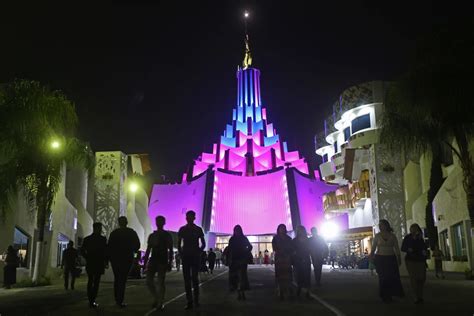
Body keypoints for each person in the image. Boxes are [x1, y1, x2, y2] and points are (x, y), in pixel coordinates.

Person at [108, 216, 141, 308]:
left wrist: (110, 258)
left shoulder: (114, 233)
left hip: (115, 259)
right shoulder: (131, 232)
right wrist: (131, 250)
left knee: (117, 279)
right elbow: (137, 245)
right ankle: (120, 300)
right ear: (126, 222)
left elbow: (109, 246)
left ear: (119, 223)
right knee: (122, 279)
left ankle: (117, 299)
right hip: (127, 258)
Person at [370, 219, 404, 303]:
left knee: (391, 277)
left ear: (386, 226)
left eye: (382, 225)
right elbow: (373, 247)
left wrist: (399, 257)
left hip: (390, 258)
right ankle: (384, 294)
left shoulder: (392, 236)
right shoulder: (377, 236)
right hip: (380, 258)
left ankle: (390, 294)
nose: (380, 226)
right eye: (379, 225)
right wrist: (371, 257)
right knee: (382, 277)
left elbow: (396, 247)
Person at [143, 215, 173, 311]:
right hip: (154, 260)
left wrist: (169, 262)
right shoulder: (152, 235)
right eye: (157, 221)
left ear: (163, 223)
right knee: (149, 281)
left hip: (162, 261)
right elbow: (148, 249)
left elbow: (170, 250)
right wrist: (145, 263)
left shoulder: (167, 235)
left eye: (160, 221)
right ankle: (157, 298)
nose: (158, 223)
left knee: (160, 282)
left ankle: (160, 301)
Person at [178, 210, 206, 310]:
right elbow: (179, 244)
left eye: (190, 217)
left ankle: (196, 300)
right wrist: (181, 254)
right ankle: (190, 301)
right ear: (186, 218)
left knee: (194, 278)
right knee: (187, 280)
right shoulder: (182, 229)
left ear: (194, 218)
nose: (189, 218)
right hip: (186, 257)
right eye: (187, 217)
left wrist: (199, 251)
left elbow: (203, 243)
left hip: (194, 257)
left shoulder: (198, 229)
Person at [82, 222, 108, 308]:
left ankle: (91, 299)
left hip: (90, 262)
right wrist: (106, 262)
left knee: (90, 281)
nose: (101, 230)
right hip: (99, 262)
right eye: (100, 228)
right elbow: (105, 252)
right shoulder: (102, 239)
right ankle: (92, 300)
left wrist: (87, 257)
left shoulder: (87, 239)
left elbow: (82, 250)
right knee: (96, 282)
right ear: (97, 228)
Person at [401, 223, 428, 304]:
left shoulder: (420, 237)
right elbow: (403, 248)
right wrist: (409, 249)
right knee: (413, 278)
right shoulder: (408, 237)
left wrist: (424, 253)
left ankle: (420, 295)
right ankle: (416, 297)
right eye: (412, 229)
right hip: (411, 260)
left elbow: (423, 247)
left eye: (415, 229)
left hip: (420, 260)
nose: (413, 230)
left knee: (421, 278)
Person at [227, 225, 253, 300]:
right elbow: (229, 249)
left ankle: (241, 292)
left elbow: (250, 246)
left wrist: (246, 252)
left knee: (241, 277)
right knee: (237, 277)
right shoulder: (234, 239)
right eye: (236, 230)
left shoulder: (238, 238)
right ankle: (240, 292)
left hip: (241, 260)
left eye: (238, 230)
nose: (237, 232)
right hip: (235, 260)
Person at [272, 224, 294, 300]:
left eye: (283, 228)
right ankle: (280, 291)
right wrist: (281, 251)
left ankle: (288, 290)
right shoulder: (275, 238)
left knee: (287, 275)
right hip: (279, 259)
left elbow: (291, 248)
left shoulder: (289, 239)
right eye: (281, 228)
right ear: (278, 229)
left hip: (287, 259)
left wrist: (287, 253)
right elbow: (274, 248)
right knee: (279, 275)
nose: (282, 230)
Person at [292, 225, 312, 298]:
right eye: (299, 230)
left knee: (307, 276)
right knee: (299, 276)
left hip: (306, 259)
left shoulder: (307, 240)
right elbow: (292, 250)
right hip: (298, 260)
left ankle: (308, 292)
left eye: (301, 230)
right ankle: (299, 289)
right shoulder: (295, 240)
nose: (300, 232)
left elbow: (310, 249)